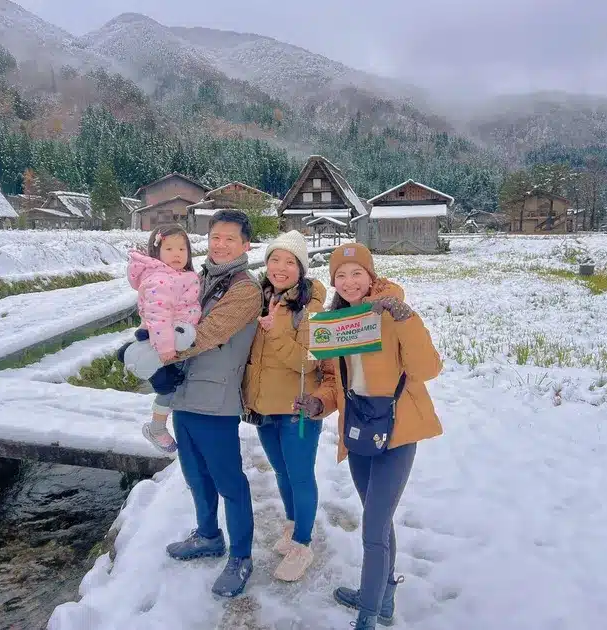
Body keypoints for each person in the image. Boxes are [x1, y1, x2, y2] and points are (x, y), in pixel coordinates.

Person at [293, 243, 443, 629]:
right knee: (379, 519)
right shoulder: (336, 324)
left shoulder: (391, 312)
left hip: (397, 430)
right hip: (359, 430)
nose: (349, 282)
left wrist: (406, 319)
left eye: (357, 273)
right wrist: (317, 402)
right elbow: (334, 381)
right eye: (340, 276)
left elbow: (427, 368)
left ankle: (368, 614)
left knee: (374, 526)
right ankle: (383, 596)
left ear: (370, 274)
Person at [163, 210, 264, 599]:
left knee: (229, 482)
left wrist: (153, 353)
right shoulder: (197, 278)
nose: (220, 245)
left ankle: (241, 557)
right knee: (195, 475)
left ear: (245, 245)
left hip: (216, 400)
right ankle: (208, 535)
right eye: (215, 237)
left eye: (229, 239)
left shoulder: (245, 289)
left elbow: (206, 333)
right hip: (184, 394)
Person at [242, 230, 326, 583]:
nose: (280, 267)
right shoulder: (259, 298)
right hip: (264, 408)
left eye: (289, 262)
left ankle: (303, 544)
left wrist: (275, 331)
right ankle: (293, 527)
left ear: (301, 268)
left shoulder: (310, 307)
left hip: (296, 409)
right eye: (274, 259)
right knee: (280, 472)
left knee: (301, 475)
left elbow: (308, 362)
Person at [125, 224, 201, 453]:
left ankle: (161, 425)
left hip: (173, 336)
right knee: (168, 387)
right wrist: (166, 348)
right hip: (168, 340)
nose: (177, 254)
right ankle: (156, 428)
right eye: (169, 249)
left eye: (182, 249)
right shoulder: (161, 279)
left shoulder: (177, 275)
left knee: (171, 386)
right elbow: (158, 315)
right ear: (156, 251)